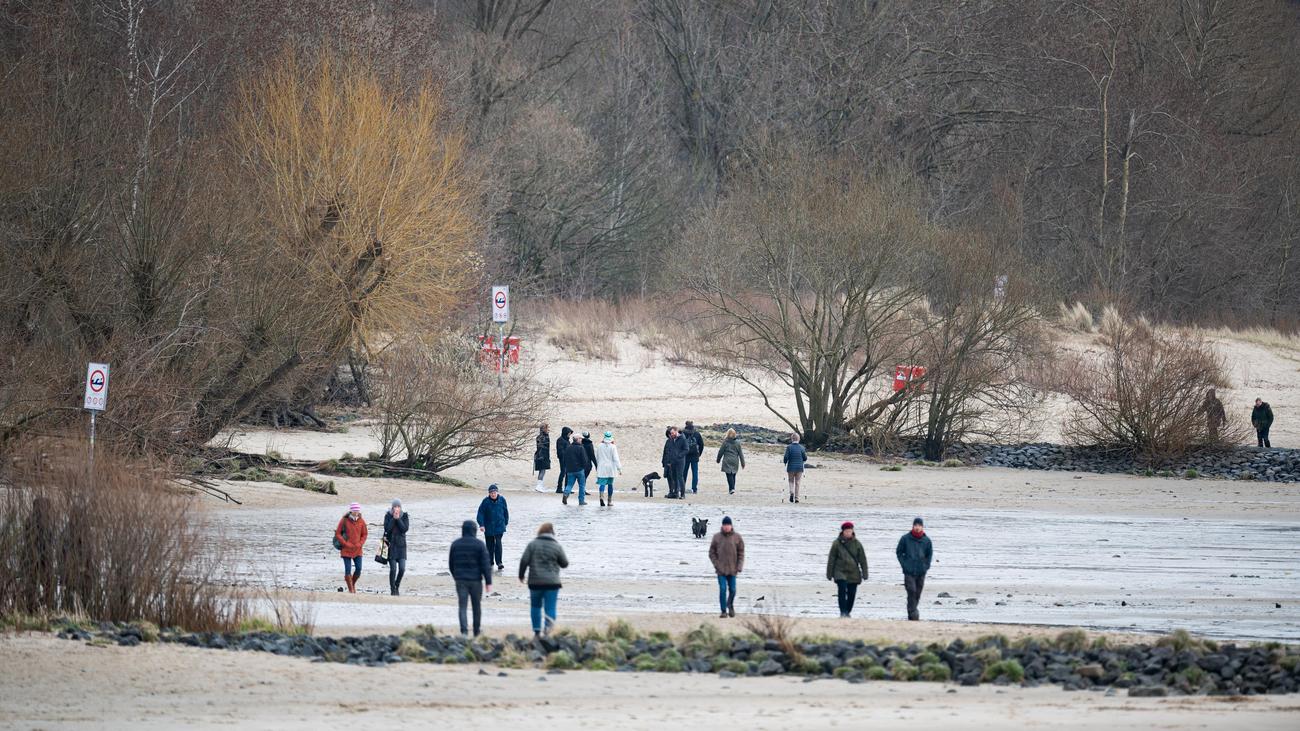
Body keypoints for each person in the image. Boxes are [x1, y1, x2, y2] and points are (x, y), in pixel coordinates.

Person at [519, 522, 569, 638]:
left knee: (535, 607)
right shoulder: (556, 546)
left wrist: (521, 575)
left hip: (535, 582)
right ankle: (547, 631)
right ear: (552, 533)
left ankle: (536, 632)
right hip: (552, 583)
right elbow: (565, 563)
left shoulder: (532, 545)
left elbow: (524, 560)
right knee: (550, 607)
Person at [449, 519, 493, 637]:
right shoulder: (480, 544)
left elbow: (451, 564)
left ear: (463, 530)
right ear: (474, 531)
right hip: (476, 581)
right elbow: (486, 565)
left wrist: (456, 576)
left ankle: (464, 632)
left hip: (460, 580)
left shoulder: (455, 544)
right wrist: (488, 582)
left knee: (462, 606)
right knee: (476, 606)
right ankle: (476, 631)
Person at [826, 521, 868, 618]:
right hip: (840, 571)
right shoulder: (836, 543)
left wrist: (865, 574)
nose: (848, 533)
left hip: (854, 572)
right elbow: (831, 559)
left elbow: (863, 560)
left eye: (850, 531)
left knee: (852, 593)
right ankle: (843, 612)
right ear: (843, 532)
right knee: (842, 590)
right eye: (846, 531)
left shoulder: (857, 544)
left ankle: (847, 611)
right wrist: (829, 573)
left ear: (852, 531)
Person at [895, 517, 933, 621]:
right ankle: (914, 613)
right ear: (913, 526)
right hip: (909, 571)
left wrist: (926, 566)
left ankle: (911, 613)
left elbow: (929, 555)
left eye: (919, 525)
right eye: (915, 525)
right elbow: (899, 552)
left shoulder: (926, 541)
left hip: (921, 571)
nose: (917, 527)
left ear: (922, 527)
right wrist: (904, 564)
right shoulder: (905, 539)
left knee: (917, 593)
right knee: (911, 590)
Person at [708, 516, 745, 618]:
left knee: (733, 590)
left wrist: (739, 566)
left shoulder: (737, 537)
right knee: (723, 589)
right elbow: (711, 553)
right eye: (725, 525)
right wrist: (716, 564)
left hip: (733, 569)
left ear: (731, 526)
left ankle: (730, 605)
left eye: (728, 525)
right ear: (722, 526)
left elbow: (741, 553)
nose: (726, 527)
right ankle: (723, 611)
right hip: (721, 570)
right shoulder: (717, 537)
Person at [335, 502, 369, 594]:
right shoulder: (344, 520)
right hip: (346, 550)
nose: (356, 512)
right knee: (348, 570)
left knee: (359, 568)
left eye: (357, 510)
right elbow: (338, 534)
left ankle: (352, 585)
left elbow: (365, 534)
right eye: (354, 510)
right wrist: (345, 543)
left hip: (358, 550)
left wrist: (360, 543)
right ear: (351, 511)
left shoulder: (361, 521)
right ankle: (351, 590)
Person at [476, 484, 509, 572]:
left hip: (499, 526)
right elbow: (480, 513)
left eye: (494, 492)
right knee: (489, 545)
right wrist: (481, 525)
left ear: (497, 492)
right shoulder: (485, 501)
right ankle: (490, 562)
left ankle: (499, 563)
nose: (493, 494)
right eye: (491, 493)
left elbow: (506, 512)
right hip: (488, 527)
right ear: (489, 493)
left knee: (498, 543)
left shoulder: (502, 500)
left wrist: (505, 523)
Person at [384, 499, 410, 596]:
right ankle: (392, 589)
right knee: (393, 569)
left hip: (401, 547)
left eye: (398, 507)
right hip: (391, 546)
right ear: (392, 507)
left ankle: (397, 585)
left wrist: (398, 519)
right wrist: (393, 519)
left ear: (400, 507)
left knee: (402, 569)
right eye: (395, 507)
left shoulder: (405, 516)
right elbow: (387, 529)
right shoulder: (388, 516)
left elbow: (404, 529)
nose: (397, 508)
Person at [560, 434, 592, 505]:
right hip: (579, 470)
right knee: (582, 485)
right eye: (580, 439)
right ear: (577, 439)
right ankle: (581, 501)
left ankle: (565, 494)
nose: (581, 440)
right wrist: (584, 466)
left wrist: (566, 467)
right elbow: (584, 459)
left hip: (570, 470)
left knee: (569, 484)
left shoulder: (568, 447)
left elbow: (564, 458)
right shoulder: (581, 448)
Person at [594, 430, 622, 507]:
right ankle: (609, 501)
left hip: (602, 467)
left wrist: (598, 466)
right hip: (610, 468)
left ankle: (601, 497)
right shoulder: (613, 446)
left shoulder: (599, 446)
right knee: (610, 484)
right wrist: (619, 468)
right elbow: (616, 458)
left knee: (602, 484)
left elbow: (597, 457)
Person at [662, 426, 689, 499]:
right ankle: (676, 493)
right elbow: (668, 451)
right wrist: (668, 461)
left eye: (673, 433)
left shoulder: (683, 439)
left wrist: (679, 456)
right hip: (672, 462)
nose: (671, 434)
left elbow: (686, 449)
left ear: (676, 431)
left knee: (680, 477)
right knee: (674, 477)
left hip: (680, 461)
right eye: (671, 433)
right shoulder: (671, 440)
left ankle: (682, 494)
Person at [715, 428, 745, 494]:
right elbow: (741, 454)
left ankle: (731, 488)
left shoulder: (725, 442)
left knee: (729, 475)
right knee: (733, 474)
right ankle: (732, 489)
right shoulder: (738, 443)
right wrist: (743, 463)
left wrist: (718, 460)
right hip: (735, 461)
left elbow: (720, 452)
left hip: (727, 460)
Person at [783, 433, 808, 503]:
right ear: (798, 439)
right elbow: (805, 458)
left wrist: (785, 462)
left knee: (791, 481)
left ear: (792, 439)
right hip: (799, 467)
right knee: (797, 482)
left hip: (791, 467)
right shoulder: (802, 448)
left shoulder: (789, 447)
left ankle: (791, 492)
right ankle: (797, 498)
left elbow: (786, 457)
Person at [682, 420, 705, 494]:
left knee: (684, 472)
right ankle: (694, 489)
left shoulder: (683, 433)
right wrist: (699, 454)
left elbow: (680, 444)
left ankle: (682, 487)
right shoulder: (697, 433)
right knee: (695, 473)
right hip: (695, 455)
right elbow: (701, 444)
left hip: (685, 455)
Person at [554, 427, 573, 493]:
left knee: (567, 473)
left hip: (568, 459)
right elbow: (560, 451)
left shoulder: (567, 440)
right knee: (563, 473)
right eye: (569, 433)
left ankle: (566, 488)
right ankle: (559, 488)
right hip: (563, 459)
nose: (569, 435)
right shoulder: (560, 440)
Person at [533, 424, 552, 492]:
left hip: (541, 456)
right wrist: (542, 456)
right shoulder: (544, 437)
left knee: (542, 471)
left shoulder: (540, 436)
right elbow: (541, 447)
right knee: (542, 471)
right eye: (547, 428)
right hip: (542, 456)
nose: (548, 430)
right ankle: (539, 486)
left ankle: (540, 485)